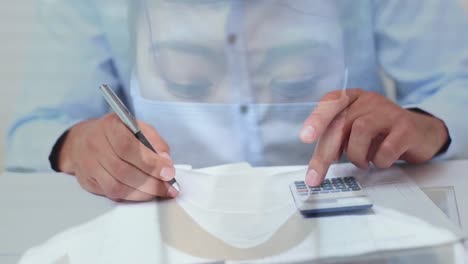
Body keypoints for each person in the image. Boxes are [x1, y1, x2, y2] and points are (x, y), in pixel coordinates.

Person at [6, 0, 468, 202]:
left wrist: (425, 123)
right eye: (186, 81)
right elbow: (34, 132)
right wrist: (79, 145)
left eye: (296, 78)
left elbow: (455, 84)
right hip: (160, 232)